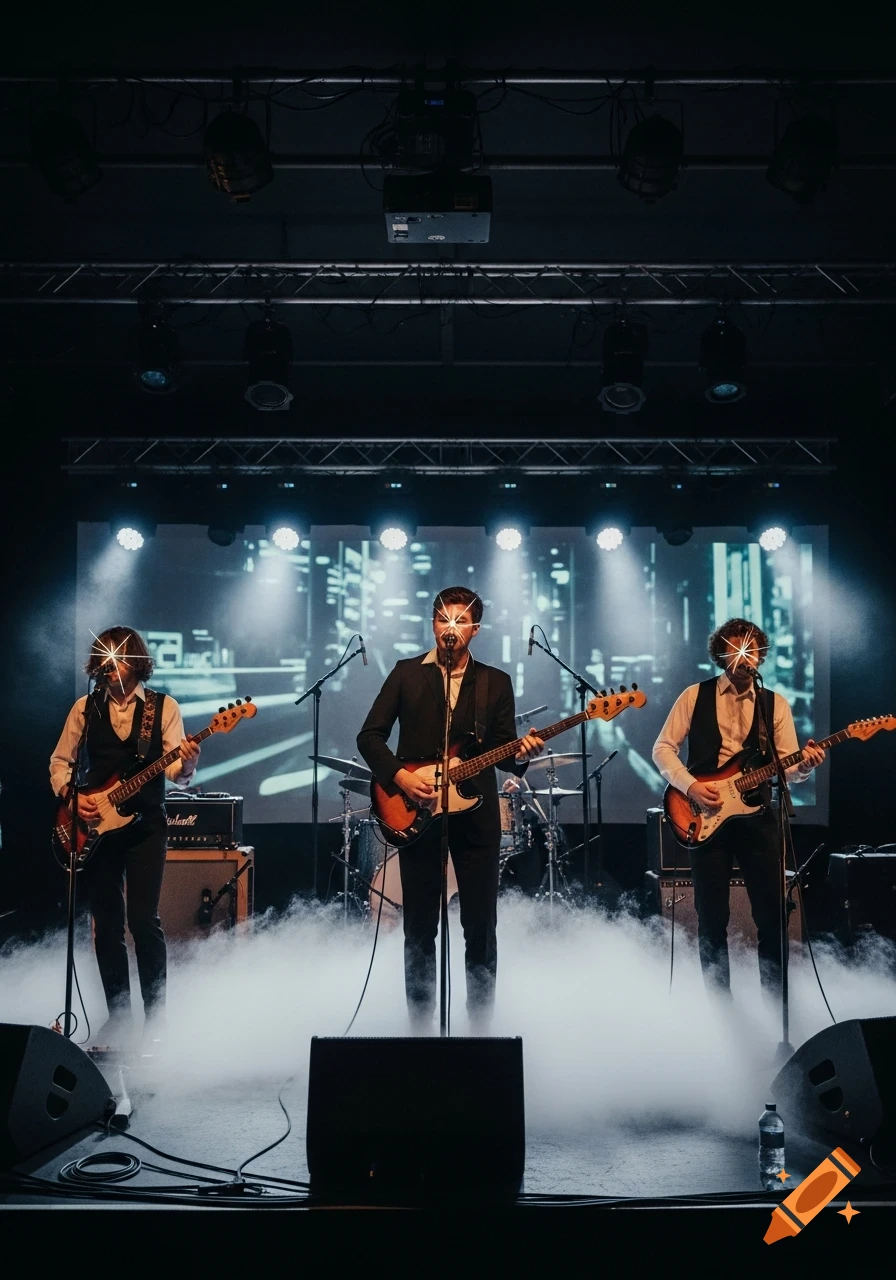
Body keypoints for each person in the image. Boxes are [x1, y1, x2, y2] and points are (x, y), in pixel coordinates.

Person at [357, 587, 544, 1032]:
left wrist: (523, 754)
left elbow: (504, 752)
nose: (451, 628)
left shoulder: (495, 682)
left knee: (480, 928)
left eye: (461, 621)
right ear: (433, 624)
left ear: (475, 629)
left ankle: (481, 1028)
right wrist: (401, 778)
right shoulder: (406, 673)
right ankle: (420, 1028)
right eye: (444, 619)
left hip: (476, 817)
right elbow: (369, 737)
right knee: (419, 929)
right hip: (416, 810)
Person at [651, 617, 825, 996]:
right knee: (712, 919)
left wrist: (805, 766)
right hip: (706, 816)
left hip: (758, 819)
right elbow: (662, 748)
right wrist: (691, 786)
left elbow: (786, 767)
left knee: (772, 918)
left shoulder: (774, 703)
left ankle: (774, 1003)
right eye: (735, 648)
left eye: (752, 649)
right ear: (721, 655)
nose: (745, 656)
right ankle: (720, 1009)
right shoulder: (694, 695)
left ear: (760, 656)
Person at [50, 627, 201, 1046]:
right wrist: (71, 796)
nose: (110, 667)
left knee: (143, 921)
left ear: (134, 661)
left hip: (146, 827)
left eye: (117, 659)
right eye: (104, 661)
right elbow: (60, 762)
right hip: (96, 829)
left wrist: (188, 764)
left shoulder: (162, 707)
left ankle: (156, 1025)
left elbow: (177, 772)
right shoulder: (85, 707)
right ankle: (117, 1021)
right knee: (107, 926)